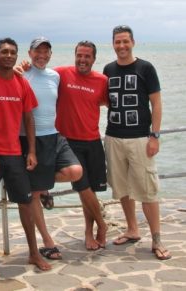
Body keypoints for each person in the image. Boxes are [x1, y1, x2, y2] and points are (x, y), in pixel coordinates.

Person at [0, 38, 51, 271]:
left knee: (26, 202)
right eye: (4, 52)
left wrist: (31, 151)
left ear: (17, 56)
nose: (8, 55)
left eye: (12, 52)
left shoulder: (21, 82)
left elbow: (28, 118)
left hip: (15, 154)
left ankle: (33, 252)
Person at [103, 25, 171, 260]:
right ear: (113, 43)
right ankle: (132, 229)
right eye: (117, 42)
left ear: (133, 42)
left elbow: (157, 103)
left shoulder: (146, 68)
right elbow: (103, 99)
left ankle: (157, 239)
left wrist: (155, 135)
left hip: (141, 138)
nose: (121, 46)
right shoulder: (108, 69)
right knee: (121, 188)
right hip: (113, 136)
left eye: (125, 41)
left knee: (147, 190)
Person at [20, 37, 83, 260]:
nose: (41, 55)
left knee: (75, 171)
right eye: (37, 51)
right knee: (34, 193)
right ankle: (47, 241)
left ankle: (45, 184)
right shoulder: (21, 74)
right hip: (30, 139)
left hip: (53, 136)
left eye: (46, 52)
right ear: (29, 53)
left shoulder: (55, 76)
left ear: (50, 55)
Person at [54, 41, 109, 250]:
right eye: (79, 55)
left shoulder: (102, 80)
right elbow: (39, 74)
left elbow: (108, 103)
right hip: (69, 142)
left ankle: (89, 232)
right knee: (83, 187)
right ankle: (101, 227)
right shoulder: (61, 74)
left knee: (91, 191)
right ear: (74, 55)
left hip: (93, 141)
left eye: (87, 56)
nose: (82, 60)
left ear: (94, 59)